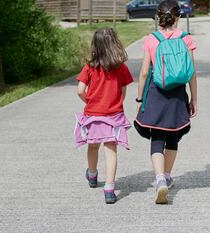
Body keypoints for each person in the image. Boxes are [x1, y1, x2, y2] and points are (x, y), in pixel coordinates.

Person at [134, 0, 198, 204]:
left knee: (157, 138)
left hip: (156, 93)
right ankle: (168, 176)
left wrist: (139, 99)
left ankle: (160, 179)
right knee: (173, 138)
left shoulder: (152, 40)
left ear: (158, 17)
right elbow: (191, 73)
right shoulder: (186, 39)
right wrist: (194, 98)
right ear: (178, 17)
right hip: (178, 95)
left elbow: (144, 72)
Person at [74, 28, 134, 204]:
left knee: (93, 146)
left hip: (93, 114)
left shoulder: (90, 66)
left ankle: (92, 175)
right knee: (111, 150)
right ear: (115, 44)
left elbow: (79, 91)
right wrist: (113, 103)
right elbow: (123, 93)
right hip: (113, 115)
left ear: (95, 45)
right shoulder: (121, 67)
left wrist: (90, 102)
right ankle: (109, 188)